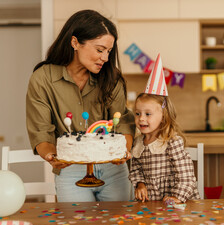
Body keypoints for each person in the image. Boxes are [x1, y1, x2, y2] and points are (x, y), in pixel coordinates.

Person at [26, 10, 135, 202]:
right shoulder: (42, 79)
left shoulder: (112, 79)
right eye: (100, 50)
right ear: (75, 42)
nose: (106, 58)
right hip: (70, 170)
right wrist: (52, 156)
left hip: (113, 168)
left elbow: (123, 122)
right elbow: (41, 132)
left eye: (109, 51)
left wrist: (123, 152)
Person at [129, 55, 200, 203]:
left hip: (180, 205)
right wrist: (140, 184)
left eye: (148, 114)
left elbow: (186, 177)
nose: (141, 118)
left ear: (163, 115)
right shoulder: (137, 144)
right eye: (137, 113)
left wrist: (176, 198)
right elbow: (136, 170)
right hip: (153, 206)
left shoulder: (172, 142)